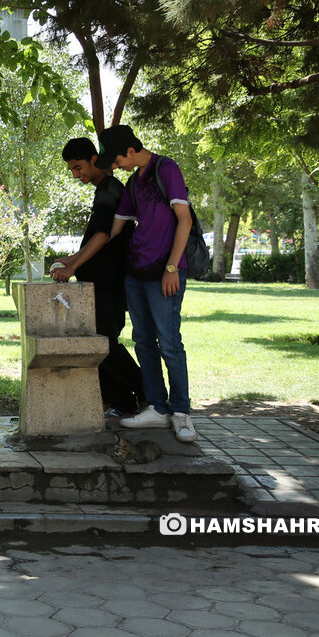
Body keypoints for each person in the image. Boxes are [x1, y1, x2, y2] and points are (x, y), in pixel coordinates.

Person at [50, 125, 197, 444]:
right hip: (136, 274)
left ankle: (180, 411)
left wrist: (172, 266)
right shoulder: (132, 183)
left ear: (130, 150)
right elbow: (111, 230)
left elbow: (184, 219)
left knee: (169, 342)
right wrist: (73, 260)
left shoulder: (165, 168)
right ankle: (156, 407)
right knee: (143, 341)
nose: (114, 166)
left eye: (116, 160)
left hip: (163, 272)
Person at [49, 137, 145, 418]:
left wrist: (71, 268)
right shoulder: (105, 189)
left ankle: (147, 394)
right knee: (100, 344)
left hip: (109, 283)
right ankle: (125, 402)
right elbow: (98, 238)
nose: (75, 174)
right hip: (100, 282)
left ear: (94, 159)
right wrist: (73, 260)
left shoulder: (109, 188)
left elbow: (103, 236)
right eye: (71, 170)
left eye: (78, 167)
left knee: (103, 344)